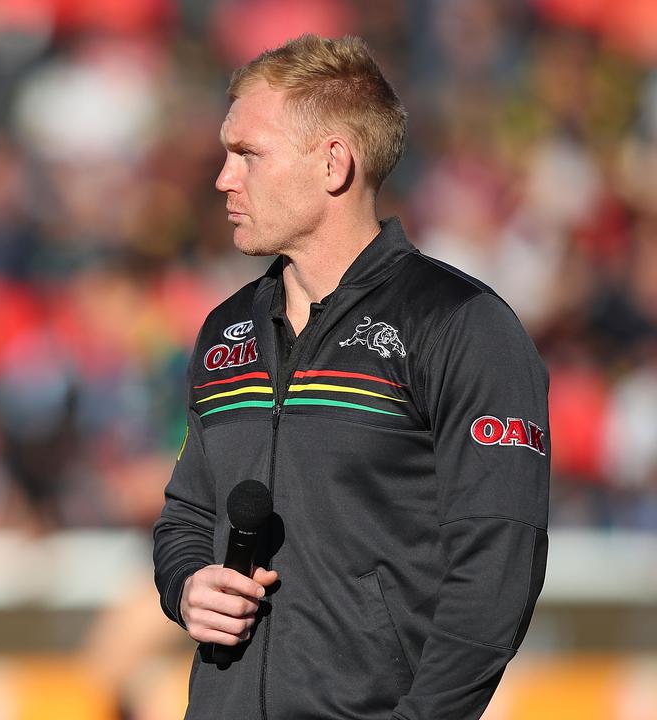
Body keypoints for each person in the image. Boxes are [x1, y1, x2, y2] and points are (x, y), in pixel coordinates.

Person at [152, 34, 549, 719]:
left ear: (333, 163)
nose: (223, 177)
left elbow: (496, 568)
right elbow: (186, 514)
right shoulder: (226, 332)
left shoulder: (462, 325)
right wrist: (188, 585)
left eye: (248, 154)